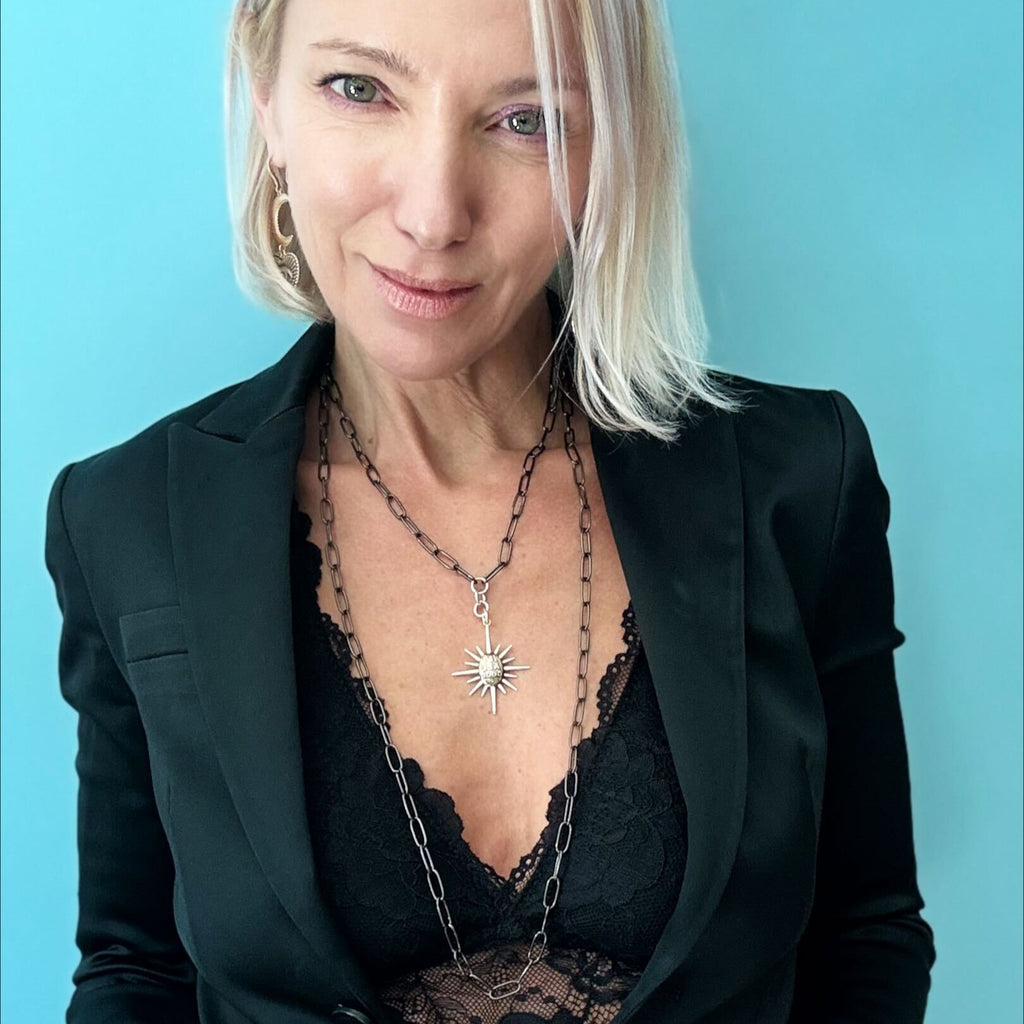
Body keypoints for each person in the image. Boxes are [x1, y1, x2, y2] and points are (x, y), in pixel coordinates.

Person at [44, 1, 937, 1022]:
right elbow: (135, 968)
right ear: (267, 104)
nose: (433, 215)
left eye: (526, 121)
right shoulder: (124, 520)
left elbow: (864, 926)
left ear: (608, 147)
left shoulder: (798, 480)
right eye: (359, 89)